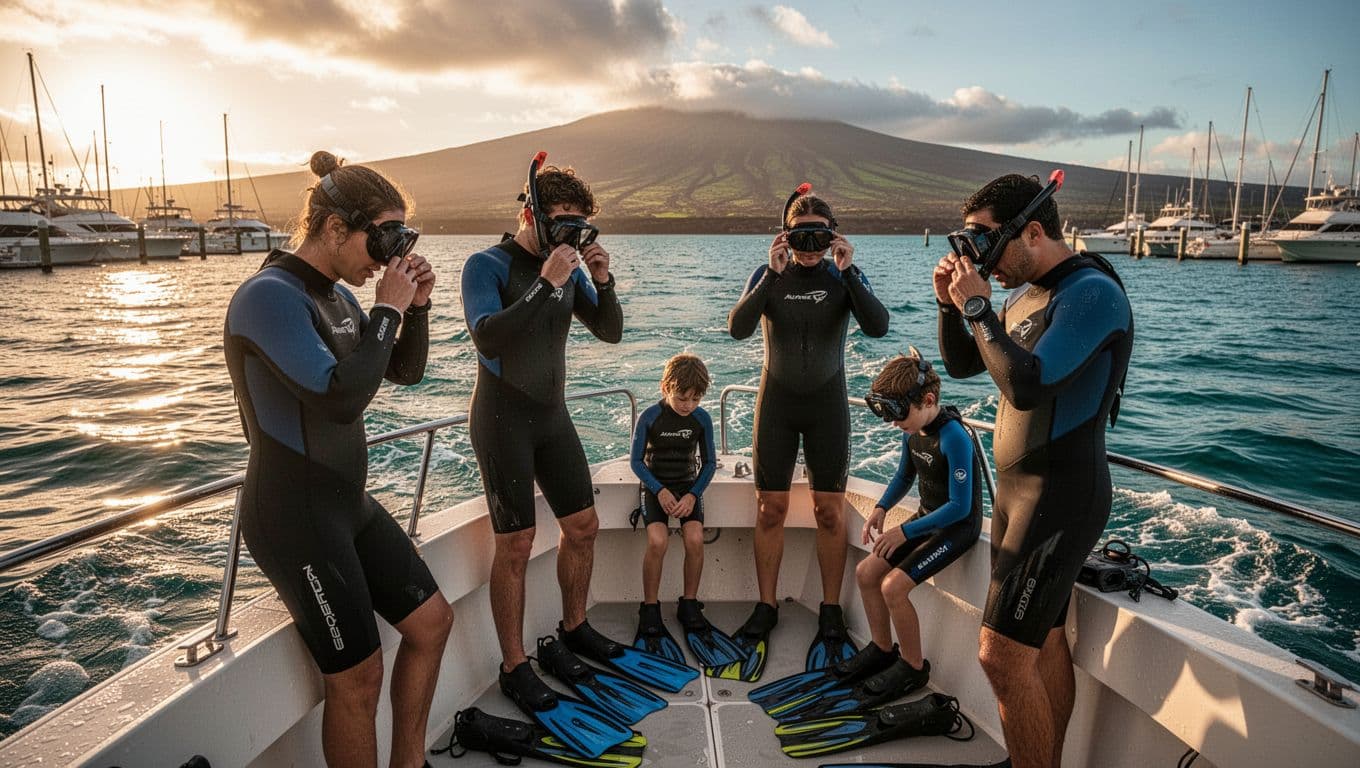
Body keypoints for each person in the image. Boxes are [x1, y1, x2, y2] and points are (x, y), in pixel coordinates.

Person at [224, 151, 452, 768]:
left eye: (398, 240)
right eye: (380, 239)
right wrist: (387, 308)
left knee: (432, 625)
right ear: (333, 228)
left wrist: (415, 308)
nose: (386, 257)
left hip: (346, 504)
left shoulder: (340, 298)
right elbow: (341, 398)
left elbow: (402, 370)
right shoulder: (268, 298)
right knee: (357, 678)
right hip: (295, 516)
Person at [936, 172, 1133, 768]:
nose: (985, 263)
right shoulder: (1028, 292)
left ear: (1036, 231)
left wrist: (976, 304)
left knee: (1000, 658)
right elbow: (967, 363)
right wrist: (953, 306)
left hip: (1060, 496)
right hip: (1018, 495)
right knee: (1044, 643)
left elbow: (1027, 385)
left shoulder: (1091, 294)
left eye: (990, 245)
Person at [460, 154, 641, 754]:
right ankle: (515, 665)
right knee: (513, 543)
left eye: (580, 228)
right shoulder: (485, 265)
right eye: (562, 224)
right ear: (529, 214)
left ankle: (573, 626)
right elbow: (489, 335)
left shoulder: (567, 271)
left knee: (583, 526)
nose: (570, 238)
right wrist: (548, 282)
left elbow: (609, 330)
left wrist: (601, 278)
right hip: (502, 419)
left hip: (553, 417)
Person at [725, 184, 891, 679]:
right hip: (776, 405)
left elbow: (879, 326)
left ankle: (831, 610)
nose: (809, 246)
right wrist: (770, 274)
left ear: (834, 237)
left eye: (820, 236)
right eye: (801, 236)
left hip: (827, 407)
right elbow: (737, 328)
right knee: (769, 507)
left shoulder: (844, 277)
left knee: (828, 511)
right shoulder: (768, 274)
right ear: (785, 236)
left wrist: (848, 270)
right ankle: (767, 606)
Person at [629, 354, 744, 667]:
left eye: (695, 399)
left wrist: (693, 495)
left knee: (694, 540)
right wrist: (660, 491)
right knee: (658, 541)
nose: (688, 405)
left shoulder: (701, 419)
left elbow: (708, 463)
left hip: (687, 489)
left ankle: (689, 604)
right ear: (665, 387)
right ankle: (649, 608)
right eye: (681, 398)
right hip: (655, 489)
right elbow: (636, 462)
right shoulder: (650, 417)